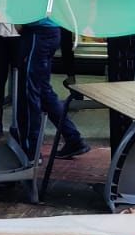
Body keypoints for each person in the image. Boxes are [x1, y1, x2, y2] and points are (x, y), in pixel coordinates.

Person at [14, 18, 90, 159]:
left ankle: (30, 150)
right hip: (49, 31)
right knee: (43, 91)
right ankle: (73, 138)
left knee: (29, 92)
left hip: (37, 32)